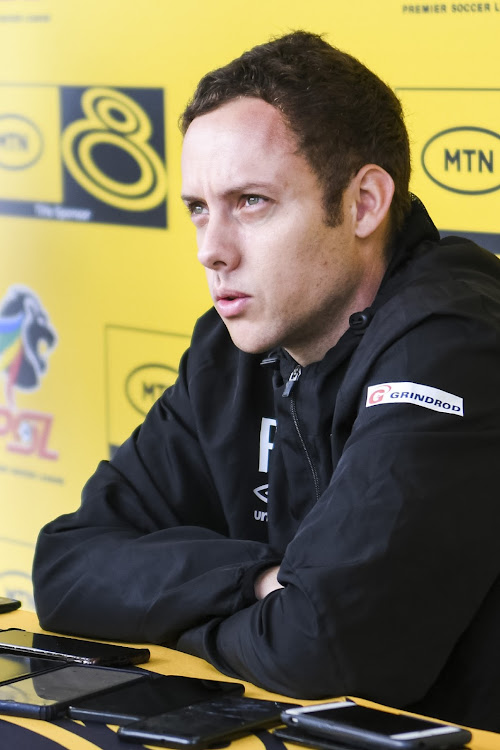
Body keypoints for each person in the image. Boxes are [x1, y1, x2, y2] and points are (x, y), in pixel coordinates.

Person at [33, 31, 500, 732]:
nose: (211, 250)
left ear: (366, 203)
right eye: (198, 207)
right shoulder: (231, 350)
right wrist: (257, 584)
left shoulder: (453, 343)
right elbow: (66, 565)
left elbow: (325, 649)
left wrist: (193, 612)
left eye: (250, 201)